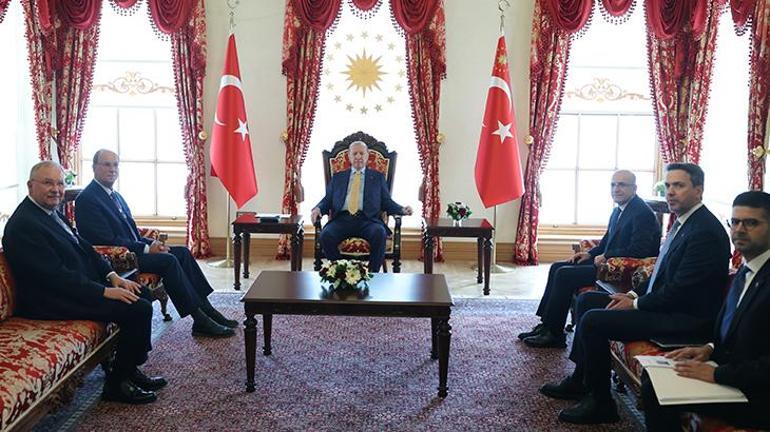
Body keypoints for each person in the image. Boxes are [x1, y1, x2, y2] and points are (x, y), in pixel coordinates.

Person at [540, 163, 730, 425]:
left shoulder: (704, 231)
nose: (670, 192)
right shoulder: (685, 223)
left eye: (679, 185)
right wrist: (631, 294)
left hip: (684, 318)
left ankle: (601, 404)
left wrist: (637, 303)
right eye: (669, 185)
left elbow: (680, 291)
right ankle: (581, 380)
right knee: (587, 300)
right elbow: (659, 274)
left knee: (594, 321)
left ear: (698, 190)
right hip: (666, 305)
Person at [2, 161, 165, 404]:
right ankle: (117, 384)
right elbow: (55, 276)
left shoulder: (50, 212)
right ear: (30, 186)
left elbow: (85, 247)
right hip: (49, 301)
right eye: (48, 183)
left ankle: (129, 368)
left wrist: (113, 277)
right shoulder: (24, 224)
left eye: (59, 183)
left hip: (73, 289)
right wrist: (104, 292)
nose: (56, 189)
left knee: (141, 293)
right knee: (137, 308)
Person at [641, 191, 770, 431]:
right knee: (655, 377)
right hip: (733, 372)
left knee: (656, 391)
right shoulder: (747, 269)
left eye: (751, 223)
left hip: (757, 394)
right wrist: (708, 349)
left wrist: (717, 374)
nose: (740, 230)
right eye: (735, 222)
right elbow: (734, 329)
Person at [75, 149, 235, 338]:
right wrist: (145, 248)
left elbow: (132, 232)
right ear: (94, 167)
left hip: (134, 250)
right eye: (106, 164)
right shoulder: (87, 199)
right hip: (118, 260)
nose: (112, 169)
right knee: (168, 261)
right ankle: (199, 319)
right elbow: (105, 240)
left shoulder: (115, 196)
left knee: (182, 253)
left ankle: (207, 309)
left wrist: (152, 244)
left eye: (115, 165)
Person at [520, 170, 661, 348]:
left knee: (564, 274)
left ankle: (554, 334)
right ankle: (546, 325)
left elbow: (639, 250)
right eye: (613, 185)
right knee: (557, 267)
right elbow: (607, 241)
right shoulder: (619, 210)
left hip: (620, 270)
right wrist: (590, 254)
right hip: (606, 263)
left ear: (634, 188)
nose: (616, 189)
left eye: (622, 185)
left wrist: (606, 255)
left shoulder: (642, 213)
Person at [310, 141, 413, 272]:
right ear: (349, 156)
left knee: (379, 233)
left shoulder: (378, 177)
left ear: (367, 155)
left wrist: (402, 210)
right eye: (355, 153)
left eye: (361, 153)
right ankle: (342, 272)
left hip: (368, 220)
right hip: (342, 219)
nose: (358, 156)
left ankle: (372, 275)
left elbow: (387, 202)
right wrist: (318, 208)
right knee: (326, 235)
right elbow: (327, 200)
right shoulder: (338, 177)